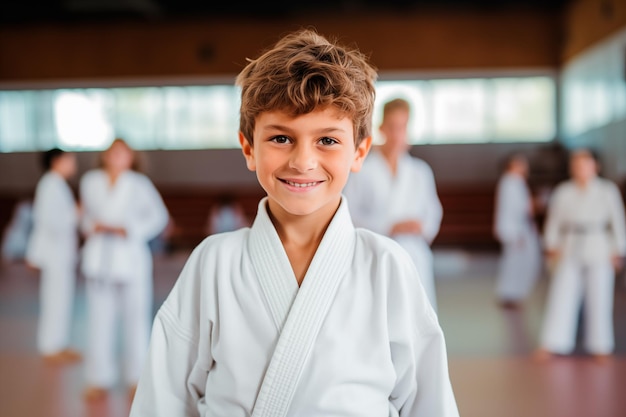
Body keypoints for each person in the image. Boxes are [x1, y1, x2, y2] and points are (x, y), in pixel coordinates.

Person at [129, 29, 459, 417]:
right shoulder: (213, 264)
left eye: (328, 140)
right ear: (249, 147)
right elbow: (162, 401)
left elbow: (428, 404)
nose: (303, 161)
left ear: (360, 151)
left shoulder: (387, 266)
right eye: (281, 138)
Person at [79, 138, 169, 400]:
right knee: (98, 319)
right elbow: (84, 215)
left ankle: (136, 378)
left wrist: (129, 229)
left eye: (123, 153)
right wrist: (90, 226)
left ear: (131, 158)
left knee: (136, 319)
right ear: (105, 155)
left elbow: (159, 217)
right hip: (99, 256)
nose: (118, 157)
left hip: (130, 255)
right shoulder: (90, 181)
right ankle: (98, 378)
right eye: (113, 152)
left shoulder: (139, 183)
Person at [343, 98, 443, 311]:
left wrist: (421, 226)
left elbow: (433, 211)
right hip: (376, 252)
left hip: (414, 252)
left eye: (403, 127)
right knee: (382, 314)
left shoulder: (419, 170)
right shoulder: (363, 170)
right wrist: (389, 226)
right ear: (381, 128)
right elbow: (349, 213)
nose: (398, 134)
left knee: (418, 314)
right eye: (393, 127)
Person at [534, 148, 626, 362]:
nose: (580, 169)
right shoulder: (563, 191)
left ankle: (601, 346)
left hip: (599, 245)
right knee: (561, 294)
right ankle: (553, 342)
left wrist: (618, 250)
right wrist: (551, 244)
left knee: (599, 296)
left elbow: (618, 221)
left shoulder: (607, 190)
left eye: (584, 164)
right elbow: (554, 221)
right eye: (576, 165)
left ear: (595, 166)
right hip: (569, 245)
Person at [25, 148, 81, 364]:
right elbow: (50, 221)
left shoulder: (56, 184)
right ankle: (50, 346)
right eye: (69, 159)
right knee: (54, 300)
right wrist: (76, 213)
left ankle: (59, 343)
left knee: (61, 299)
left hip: (61, 253)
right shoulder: (50, 185)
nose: (73, 163)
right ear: (58, 161)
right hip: (54, 253)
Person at [493, 153, 542, 309]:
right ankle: (510, 294)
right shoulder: (510, 182)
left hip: (521, 229)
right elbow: (515, 210)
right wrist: (516, 233)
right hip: (516, 230)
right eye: (521, 164)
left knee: (522, 263)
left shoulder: (516, 182)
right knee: (514, 263)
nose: (525, 167)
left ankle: (516, 294)